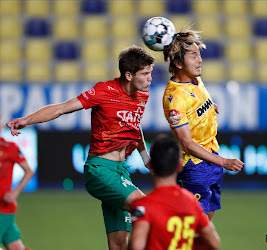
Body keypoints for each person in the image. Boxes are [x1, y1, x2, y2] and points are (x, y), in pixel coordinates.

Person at [7, 45, 155, 250]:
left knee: (119, 244)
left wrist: (145, 157)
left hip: (121, 172)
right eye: (145, 73)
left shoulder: (142, 95)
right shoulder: (105, 90)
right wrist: (27, 120)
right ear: (129, 75)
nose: (150, 78)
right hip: (100, 170)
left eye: (150, 73)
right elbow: (61, 109)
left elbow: (133, 125)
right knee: (147, 208)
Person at [162, 29, 244, 220]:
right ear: (177, 62)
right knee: (193, 230)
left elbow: (198, 100)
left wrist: (209, 107)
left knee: (205, 225)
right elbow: (187, 144)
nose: (200, 60)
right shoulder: (175, 99)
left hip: (211, 158)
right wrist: (224, 162)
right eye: (193, 55)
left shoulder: (195, 79)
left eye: (199, 54)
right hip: (194, 167)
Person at [129, 136, 220, 250]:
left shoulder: (143, 205)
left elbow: (136, 246)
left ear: (151, 165)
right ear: (179, 166)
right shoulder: (191, 202)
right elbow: (214, 243)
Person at [0, 115, 34, 250]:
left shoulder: (8, 147)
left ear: (1, 126)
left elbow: (29, 171)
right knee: (16, 247)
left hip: (3, 207)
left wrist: (15, 192)